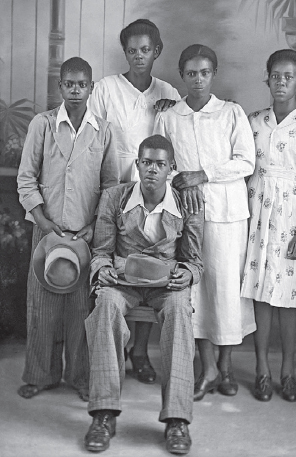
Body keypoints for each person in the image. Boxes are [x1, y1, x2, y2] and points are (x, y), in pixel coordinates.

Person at [83, 134, 204, 455]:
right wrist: (102, 269)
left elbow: (195, 260)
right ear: (137, 165)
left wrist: (188, 273)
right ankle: (104, 414)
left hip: (166, 286)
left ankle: (177, 419)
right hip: (123, 282)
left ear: (171, 169)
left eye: (160, 164)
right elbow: (101, 250)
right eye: (146, 163)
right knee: (105, 304)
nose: (152, 170)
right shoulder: (115, 198)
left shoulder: (186, 203)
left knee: (180, 311)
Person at [154, 44, 256, 401]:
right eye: (191, 73)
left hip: (228, 214)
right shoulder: (169, 116)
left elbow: (246, 162)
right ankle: (208, 366)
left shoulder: (230, 113)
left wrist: (202, 175)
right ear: (182, 76)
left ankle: (226, 369)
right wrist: (183, 180)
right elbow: (159, 164)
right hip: (188, 213)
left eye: (205, 72)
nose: (198, 79)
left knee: (226, 289)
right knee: (195, 287)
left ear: (214, 75)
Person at [17, 57, 119, 401]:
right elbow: (26, 178)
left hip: (84, 236)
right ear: (60, 87)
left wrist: (94, 227)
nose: (75, 90)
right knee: (42, 307)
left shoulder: (103, 130)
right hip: (46, 232)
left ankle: (79, 376)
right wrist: (44, 223)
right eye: (69, 84)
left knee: (81, 311)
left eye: (82, 84)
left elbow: (110, 186)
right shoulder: (42, 125)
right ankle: (40, 374)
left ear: (91, 87)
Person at [89, 18, 180, 384]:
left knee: (150, 266)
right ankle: (109, 354)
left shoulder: (168, 91)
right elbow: (94, 142)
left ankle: (140, 352)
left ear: (156, 51)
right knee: (115, 269)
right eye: (132, 50)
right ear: (124, 52)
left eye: (145, 50)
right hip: (115, 189)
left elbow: (176, 144)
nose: (138, 56)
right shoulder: (106, 89)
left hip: (154, 191)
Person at [241, 49, 296, 402]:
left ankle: (288, 370)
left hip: (294, 218)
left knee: (289, 301)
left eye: (288, 77)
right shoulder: (253, 121)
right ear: (268, 78)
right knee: (262, 295)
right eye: (275, 76)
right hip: (259, 215)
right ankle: (263, 369)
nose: (281, 82)